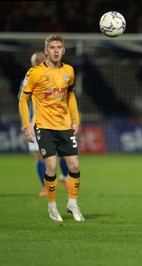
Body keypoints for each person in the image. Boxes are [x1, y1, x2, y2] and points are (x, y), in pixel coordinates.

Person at [19, 34, 84, 222]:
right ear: (46, 50)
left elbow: (70, 95)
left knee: (75, 166)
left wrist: (76, 120)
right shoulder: (35, 73)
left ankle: (73, 203)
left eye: (59, 47)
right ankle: (52, 205)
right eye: (52, 47)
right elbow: (24, 99)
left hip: (64, 126)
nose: (55, 51)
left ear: (63, 50)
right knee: (52, 166)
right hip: (44, 126)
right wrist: (26, 125)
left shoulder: (69, 71)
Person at [18, 51, 69, 197]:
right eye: (35, 61)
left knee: (65, 154)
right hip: (37, 123)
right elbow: (22, 102)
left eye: (41, 59)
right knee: (40, 156)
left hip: (58, 121)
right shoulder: (28, 80)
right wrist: (25, 122)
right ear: (32, 64)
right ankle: (45, 187)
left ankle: (64, 177)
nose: (39, 62)